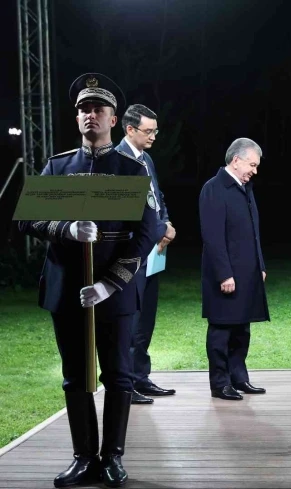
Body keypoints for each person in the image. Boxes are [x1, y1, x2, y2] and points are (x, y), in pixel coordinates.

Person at [17, 73, 161, 487]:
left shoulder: (130, 170)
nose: (89, 115)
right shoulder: (58, 167)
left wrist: (109, 284)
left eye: (98, 109)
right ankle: (83, 457)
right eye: (83, 109)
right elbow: (28, 220)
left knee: (118, 375)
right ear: (76, 117)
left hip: (114, 292)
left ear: (113, 119)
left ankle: (112, 457)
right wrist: (65, 229)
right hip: (68, 290)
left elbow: (146, 233)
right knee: (75, 375)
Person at [198, 138, 269, 401]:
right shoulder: (214, 188)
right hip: (226, 275)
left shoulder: (245, 188)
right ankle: (220, 383)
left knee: (242, 329)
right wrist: (224, 274)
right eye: (252, 165)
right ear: (236, 160)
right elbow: (213, 236)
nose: (255, 171)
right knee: (222, 329)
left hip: (247, 273)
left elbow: (254, 233)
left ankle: (239, 378)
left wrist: (260, 265)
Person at [116, 104, 177, 405]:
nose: (153, 136)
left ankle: (141, 377)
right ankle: (125, 385)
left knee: (146, 319)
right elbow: (126, 213)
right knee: (130, 321)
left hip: (154, 251)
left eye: (155, 130)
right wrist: (159, 229)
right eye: (148, 131)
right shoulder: (117, 160)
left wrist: (165, 225)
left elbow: (156, 197)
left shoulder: (146, 158)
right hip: (131, 254)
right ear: (130, 129)